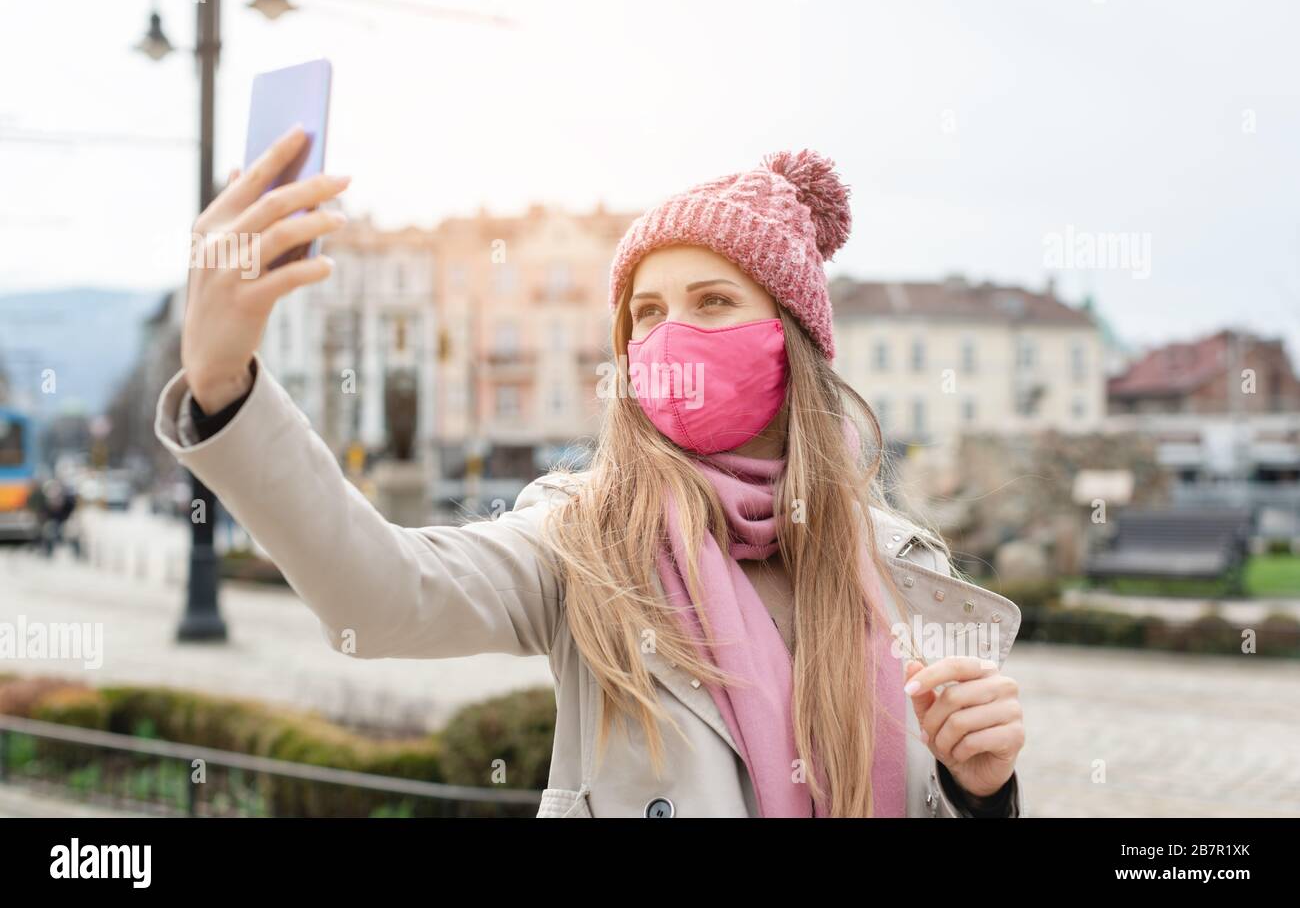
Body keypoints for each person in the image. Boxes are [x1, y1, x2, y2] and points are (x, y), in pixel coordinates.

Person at [155, 127, 1026, 817]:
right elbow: (380, 595)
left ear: (792, 339)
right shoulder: (585, 537)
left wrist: (980, 795)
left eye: (713, 301)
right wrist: (228, 388)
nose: (668, 335)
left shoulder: (903, 567)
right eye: (645, 313)